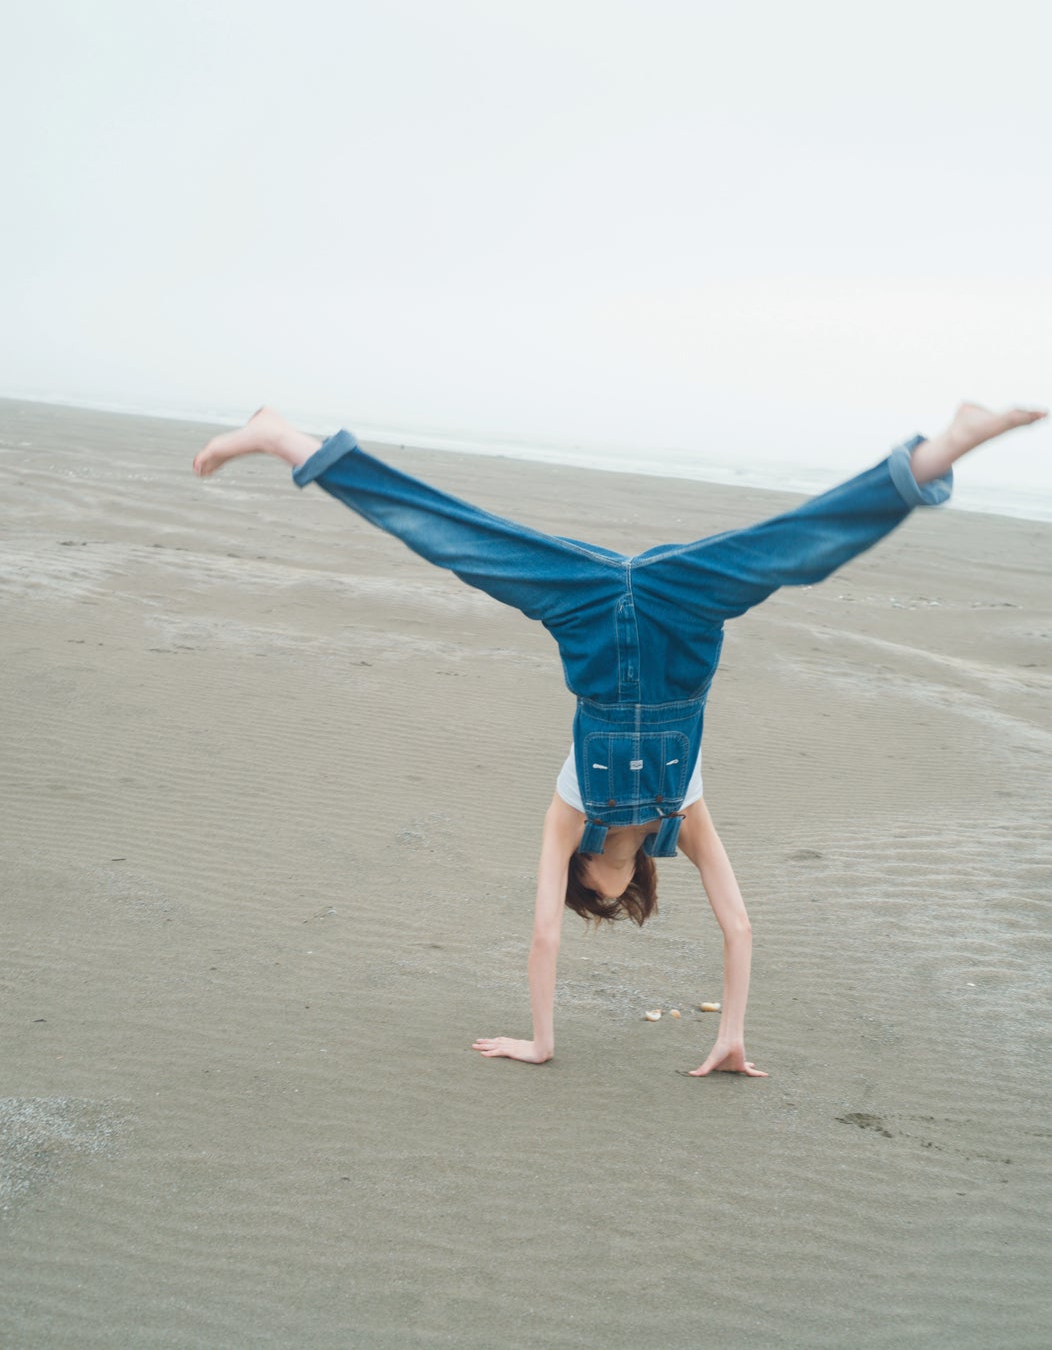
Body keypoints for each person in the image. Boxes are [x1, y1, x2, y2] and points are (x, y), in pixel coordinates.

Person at [193, 402, 1045, 1075]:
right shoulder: (684, 814)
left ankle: (281, 435)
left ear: (581, 878)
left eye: (587, 897)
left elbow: (540, 935)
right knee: (790, 552)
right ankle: (943, 450)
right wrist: (734, 1035)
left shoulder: (568, 813)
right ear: (626, 880)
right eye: (610, 899)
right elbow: (740, 926)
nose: (598, 896)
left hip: (591, 611)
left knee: (454, 534)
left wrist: (541, 1040)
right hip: (678, 614)